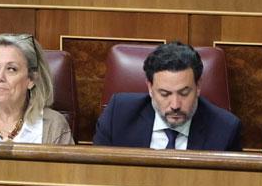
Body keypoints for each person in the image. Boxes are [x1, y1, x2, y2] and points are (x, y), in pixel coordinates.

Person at [91, 41, 241, 150]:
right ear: (150, 88)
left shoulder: (225, 129)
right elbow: (97, 175)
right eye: (165, 94)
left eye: (184, 93)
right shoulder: (118, 115)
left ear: (198, 86)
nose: (175, 104)